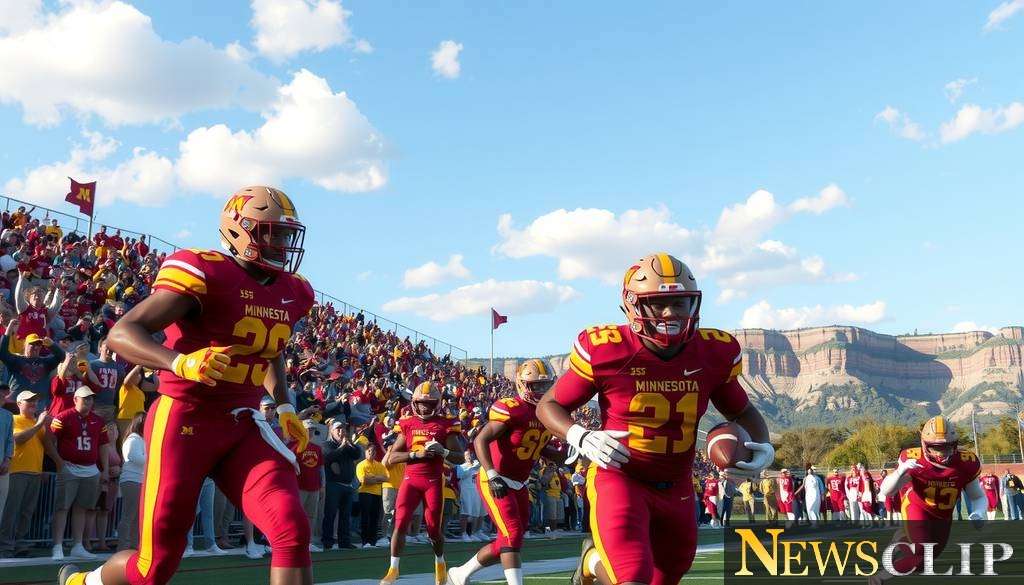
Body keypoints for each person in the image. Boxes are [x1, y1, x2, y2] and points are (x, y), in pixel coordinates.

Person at [58, 186, 315, 585]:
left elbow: (270, 347)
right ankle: (85, 582)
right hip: (185, 421)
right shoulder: (206, 272)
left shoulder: (293, 291)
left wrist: (283, 406)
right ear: (239, 231)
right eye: (271, 233)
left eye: (285, 235)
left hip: (241, 424)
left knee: (291, 530)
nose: (281, 244)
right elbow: (122, 334)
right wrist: (180, 362)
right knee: (153, 569)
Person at [536, 254, 774, 585]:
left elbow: (742, 412)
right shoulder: (608, 349)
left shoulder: (714, 352)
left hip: (677, 485)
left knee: (668, 574)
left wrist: (762, 445)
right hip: (620, 477)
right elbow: (549, 405)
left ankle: (593, 561)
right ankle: (595, 561)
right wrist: (581, 435)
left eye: (678, 303)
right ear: (633, 306)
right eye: (658, 304)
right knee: (633, 576)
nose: (670, 314)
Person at [447, 359, 563, 585]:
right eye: (535, 386)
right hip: (497, 478)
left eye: (545, 385)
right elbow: (481, 439)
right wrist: (491, 475)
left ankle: (460, 573)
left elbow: (542, 448)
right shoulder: (513, 408)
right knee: (512, 535)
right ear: (522, 385)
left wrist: (570, 450)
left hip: (519, 483)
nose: (540, 391)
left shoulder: (548, 413)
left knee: (508, 540)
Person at [871, 416, 986, 585]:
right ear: (924, 443)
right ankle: (889, 561)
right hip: (918, 507)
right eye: (935, 447)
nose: (941, 454)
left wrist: (978, 512)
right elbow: (887, 491)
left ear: (955, 444)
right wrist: (900, 471)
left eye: (946, 447)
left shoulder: (966, 462)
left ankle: (890, 558)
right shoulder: (913, 459)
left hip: (944, 515)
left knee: (923, 561)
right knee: (919, 548)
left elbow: (978, 496)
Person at [379, 381, 464, 585]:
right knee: (400, 522)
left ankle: (440, 562)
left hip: (433, 480)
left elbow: (459, 457)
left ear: (438, 403)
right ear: (414, 402)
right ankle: (393, 568)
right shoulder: (407, 423)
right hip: (411, 478)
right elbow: (392, 457)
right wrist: (416, 454)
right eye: (420, 403)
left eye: (430, 403)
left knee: (434, 529)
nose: (425, 407)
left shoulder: (446, 424)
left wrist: (442, 452)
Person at [49, 387, 111, 561]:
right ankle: (57, 546)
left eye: (91, 399)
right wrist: (59, 461)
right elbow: (49, 441)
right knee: (62, 507)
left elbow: (103, 446)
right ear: (75, 399)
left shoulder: (99, 421)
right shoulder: (63, 417)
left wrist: (104, 469)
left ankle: (78, 545)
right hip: (70, 468)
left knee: (83, 507)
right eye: (85, 399)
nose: (89, 402)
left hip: (90, 469)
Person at [0, 390, 54, 558]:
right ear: (19, 404)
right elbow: (18, 439)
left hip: (35, 472)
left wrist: (47, 426)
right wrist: (39, 424)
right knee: (11, 510)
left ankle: (19, 543)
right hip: (17, 471)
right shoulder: (14, 419)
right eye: (29, 401)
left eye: (35, 401)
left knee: (27, 511)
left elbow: (46, 446)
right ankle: (5, 546)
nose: (33, 403)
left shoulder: (37, 422)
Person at [321, 420, 360, 550]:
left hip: (347, 485)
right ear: (331, 431)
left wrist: (349, 443)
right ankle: (327, 541)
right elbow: (330, 457)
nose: (341, 431)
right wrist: (343, 446)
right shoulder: (327, 444)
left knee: (345, 515)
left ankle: (344, 541)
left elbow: (357, 454)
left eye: (343, 429)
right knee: (330, 513)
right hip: (333, 484)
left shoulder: (348, 445)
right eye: (338, 429)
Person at [117, 412, 145, 551]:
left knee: (137, 516)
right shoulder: (133, 439)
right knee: (129, 515)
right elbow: (135, 458)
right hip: (132, 480)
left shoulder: (140, 440)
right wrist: (153, 456)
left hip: (138, 480)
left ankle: (134, 546)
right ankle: (123, 547)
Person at [355, 442, 387, 548]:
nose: (371, 453)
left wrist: (372, 478)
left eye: (373, 451)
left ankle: (373, 541)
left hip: (377, 493)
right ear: (365, 452)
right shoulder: (361, 465)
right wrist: (378, 478)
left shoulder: (379, 465)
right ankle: (365, 541)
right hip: (365, 492)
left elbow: (386, 478)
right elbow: (363, 480)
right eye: (369, 451)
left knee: (375, 517)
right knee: (365, 518)